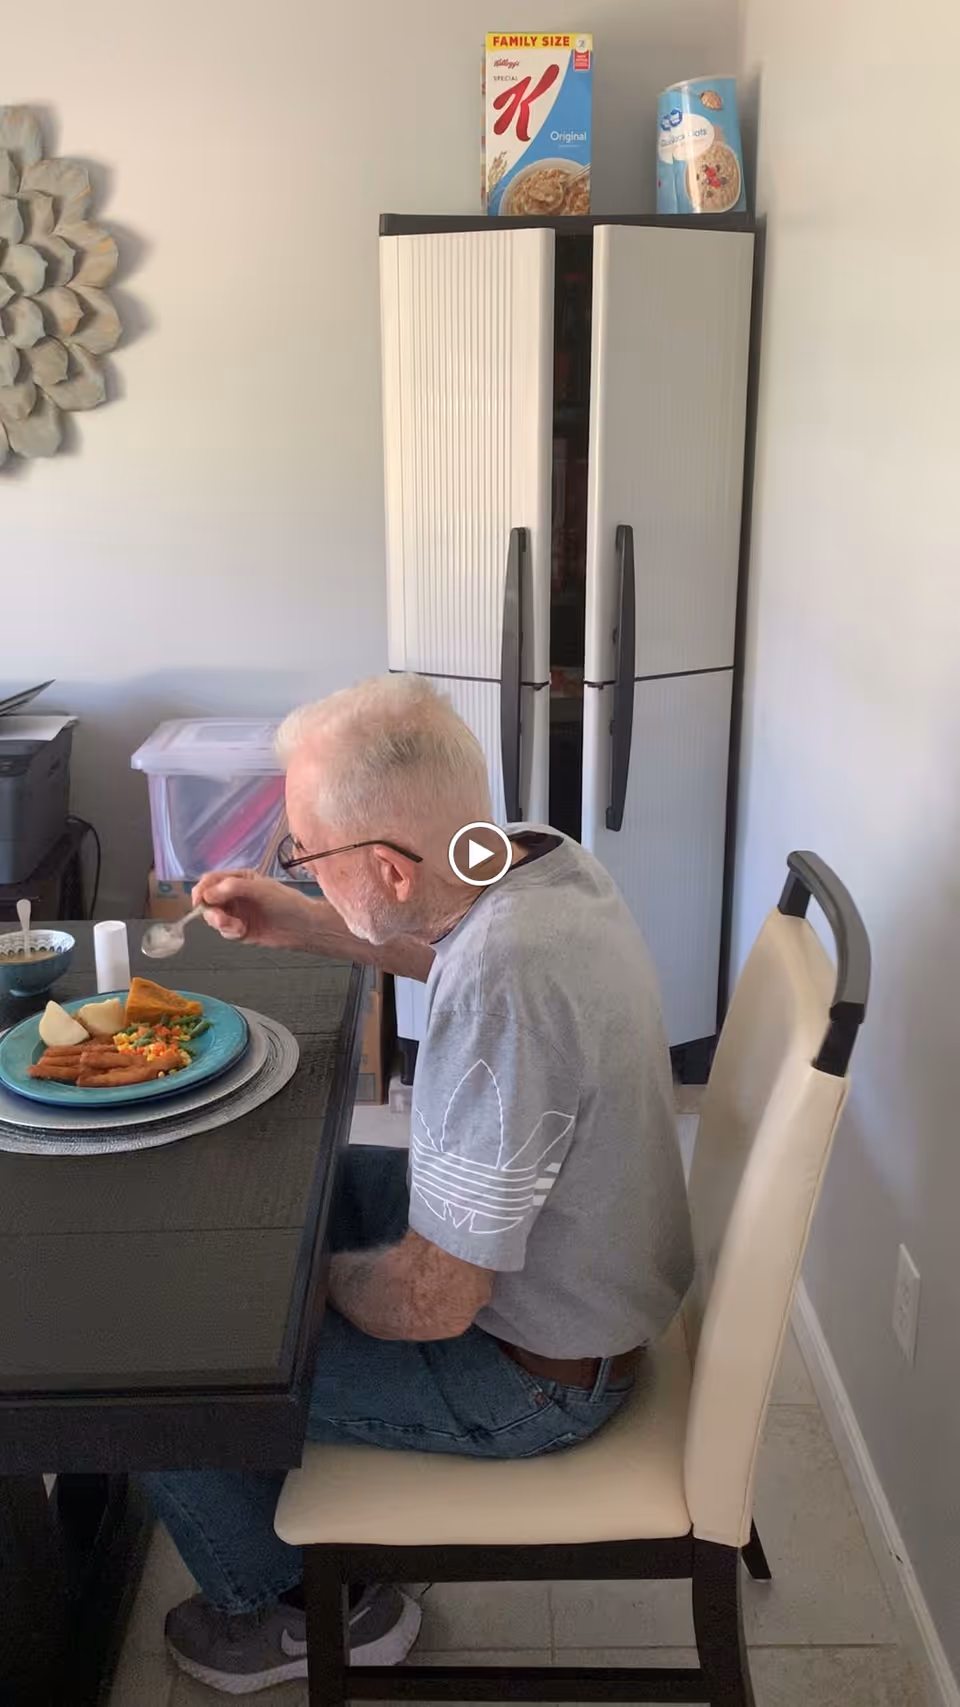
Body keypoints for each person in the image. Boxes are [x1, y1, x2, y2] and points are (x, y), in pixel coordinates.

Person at [144, 674, 694, 1695]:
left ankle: (299, 1614)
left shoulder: (505, 990)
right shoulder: (528, 855)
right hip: (585, 1262)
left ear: (390, 870)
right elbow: (439, 929)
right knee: (312, 1192)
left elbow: (437, 1300)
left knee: (168, 1377)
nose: (294, 862)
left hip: (534, 1377)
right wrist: (305, 917)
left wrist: (304, 1292)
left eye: (301, 851)